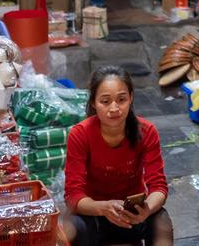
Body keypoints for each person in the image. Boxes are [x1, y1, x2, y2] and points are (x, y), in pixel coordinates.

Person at [65, 66, 173, 246]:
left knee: (161, 220)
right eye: (105, 101)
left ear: (130, 97)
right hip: (96, 215)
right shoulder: (80, 134)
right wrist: (103, 208)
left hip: (134, 215)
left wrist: (146, 210)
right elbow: (73, 195)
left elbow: (159, 187)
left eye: (121, 99)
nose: (114, 108)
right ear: (93, 102)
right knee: (75, 224)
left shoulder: (147, 131)